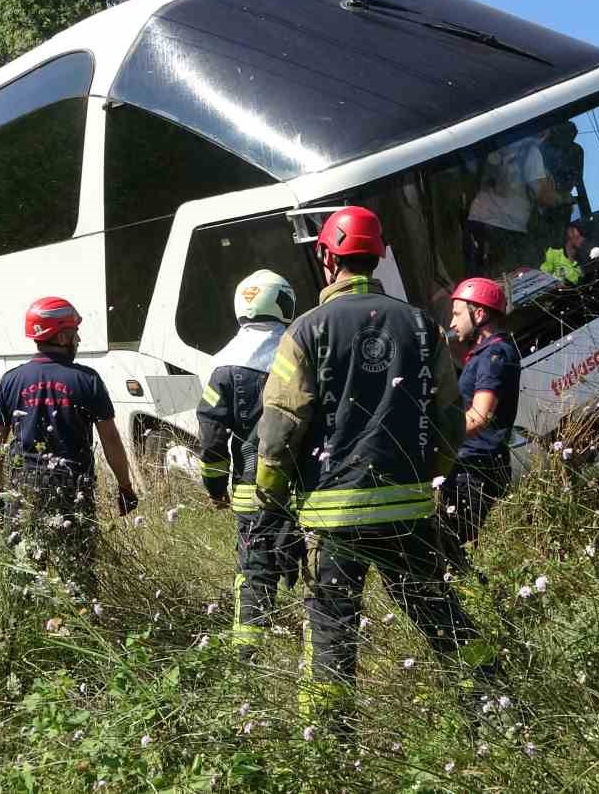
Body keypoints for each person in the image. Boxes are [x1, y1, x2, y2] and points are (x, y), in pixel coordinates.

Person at [255, 205, 497, 724]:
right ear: (381, 254)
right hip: (407, 509)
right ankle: (495, 706)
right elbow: (452, 420)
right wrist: (426, 470)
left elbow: (279, 425)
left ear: (325, 256)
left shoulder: (304, 331)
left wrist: (270, 496)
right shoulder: (420, 326)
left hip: (336, 517)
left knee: (333, 629)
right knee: (440, 615)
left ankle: (328, 741)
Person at [0, 296, 138, 600]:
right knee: (78, 569)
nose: (78, 338)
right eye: (74, 332)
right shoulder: (86, 380)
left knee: (25, 570)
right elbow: (110, 440)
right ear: (61, 335)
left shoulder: (10, 380)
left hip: (21, 487)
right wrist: (125, 486)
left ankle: (28, 629)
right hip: (72, 487)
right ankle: (82, 632)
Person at [195, 269, 304, 661]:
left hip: (249, 491)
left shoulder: (222, 365)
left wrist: (214, 489)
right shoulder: (300, 351)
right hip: (302, 489)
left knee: (254, 572)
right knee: (314, 571)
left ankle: (248, 658)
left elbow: (210, 439)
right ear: (285, 303)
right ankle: (310, 649)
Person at [439, 278, 521, 570]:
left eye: (458, 313)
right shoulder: (485, 354)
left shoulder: (495, 355)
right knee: (451, 552)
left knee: (451, 558)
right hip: (468, 468)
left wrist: (435, 435)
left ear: (480, 314)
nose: (452, 321)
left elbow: (480, 415)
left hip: (476, 473)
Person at [465, 136, 562, 276]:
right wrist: (559, 196)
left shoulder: (500, 141)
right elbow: (543, 196)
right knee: (503, 281)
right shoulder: (531, 151)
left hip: (478, 216)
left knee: (479, 278)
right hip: (504, 226)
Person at [539, 220, 588, 285]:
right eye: (580, 235)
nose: (583, 239)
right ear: (569, 234)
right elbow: (541, 279)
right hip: (559, 293)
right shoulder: (553, 253)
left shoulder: (585, 256)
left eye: (583, 236)